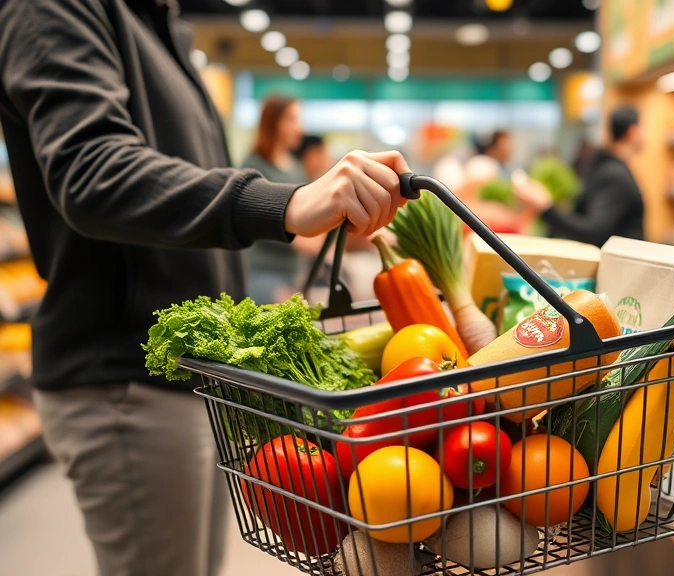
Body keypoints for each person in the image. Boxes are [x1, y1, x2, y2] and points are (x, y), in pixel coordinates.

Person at [0, 2, 410, 576]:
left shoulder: (159, 20)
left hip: (187, 378)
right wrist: (284, 202)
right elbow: (92, 170)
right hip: (126, 374)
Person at [514, 106, 646, 246]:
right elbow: (594, 230)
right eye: (645, 128)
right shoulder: (615, 175)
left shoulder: (601, 166)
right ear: (633, 132)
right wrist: (547, 209)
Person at [242, 96, 307, 304]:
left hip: (293, 272)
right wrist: (302, 239)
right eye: (291, 119)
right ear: (273, 122)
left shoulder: (295, 166)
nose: (299, 128)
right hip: (264, 273)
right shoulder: (254, 166)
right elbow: (252, 217)